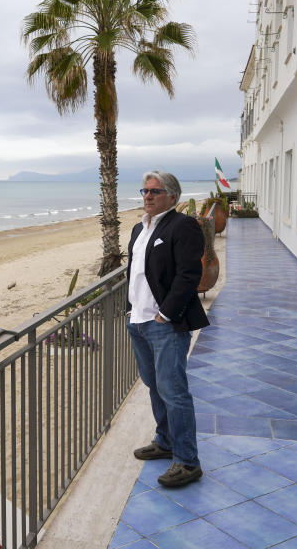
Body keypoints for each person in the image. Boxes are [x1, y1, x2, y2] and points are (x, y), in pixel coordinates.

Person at [126, 170, 209, 488]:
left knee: (174, 392)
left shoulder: (183, 226)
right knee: (154, 385)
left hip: (165, 324)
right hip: (138, 321)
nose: (147, 196)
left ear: (173, 197)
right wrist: (131, 309)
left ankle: (188, 461)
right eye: (145, 191)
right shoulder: (138, 228)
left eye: (154, 191)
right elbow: (136, 272)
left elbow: (188, 275)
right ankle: (165, 442)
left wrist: (165, 314)